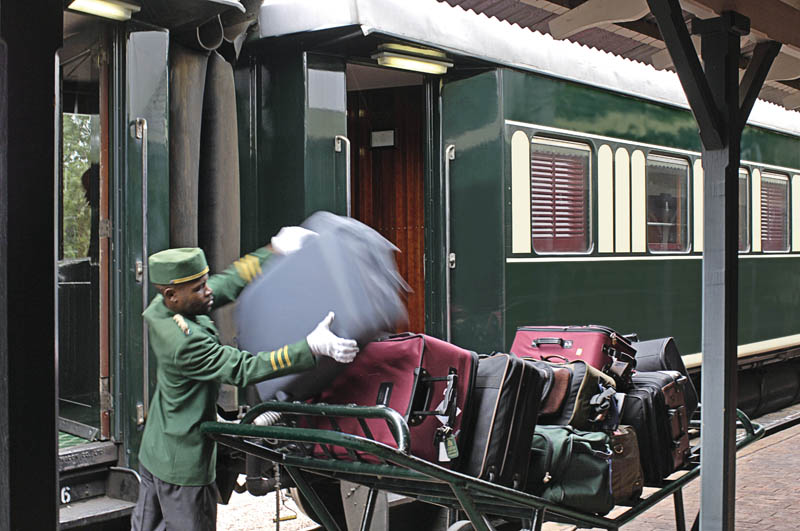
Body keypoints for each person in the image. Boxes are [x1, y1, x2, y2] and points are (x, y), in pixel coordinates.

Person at [130, 227, 358, 531]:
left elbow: (226, 283)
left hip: (156, 450)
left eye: (204, 283)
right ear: (172, 294)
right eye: (198, 288)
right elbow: (241, 369)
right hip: (183, 465)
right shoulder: (184, 343)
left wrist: (272, 250)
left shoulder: (164, 307)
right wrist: (309, 347)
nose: (207, 291)